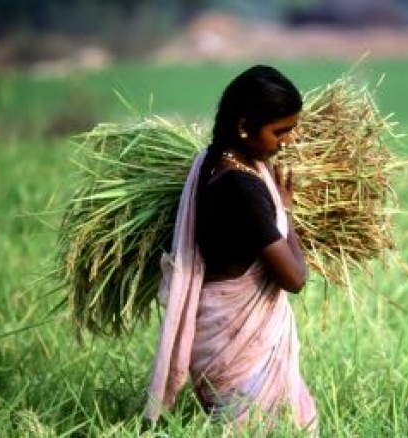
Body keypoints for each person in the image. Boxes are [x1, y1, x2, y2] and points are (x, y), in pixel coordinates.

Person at [143, 65, 317, 434]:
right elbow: (294, 279)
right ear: (244, 127)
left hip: (217, 332)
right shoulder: (242, 188)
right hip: (236, 341)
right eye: (280, 131)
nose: (288, 140)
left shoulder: (214, 160)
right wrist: (286, 212)